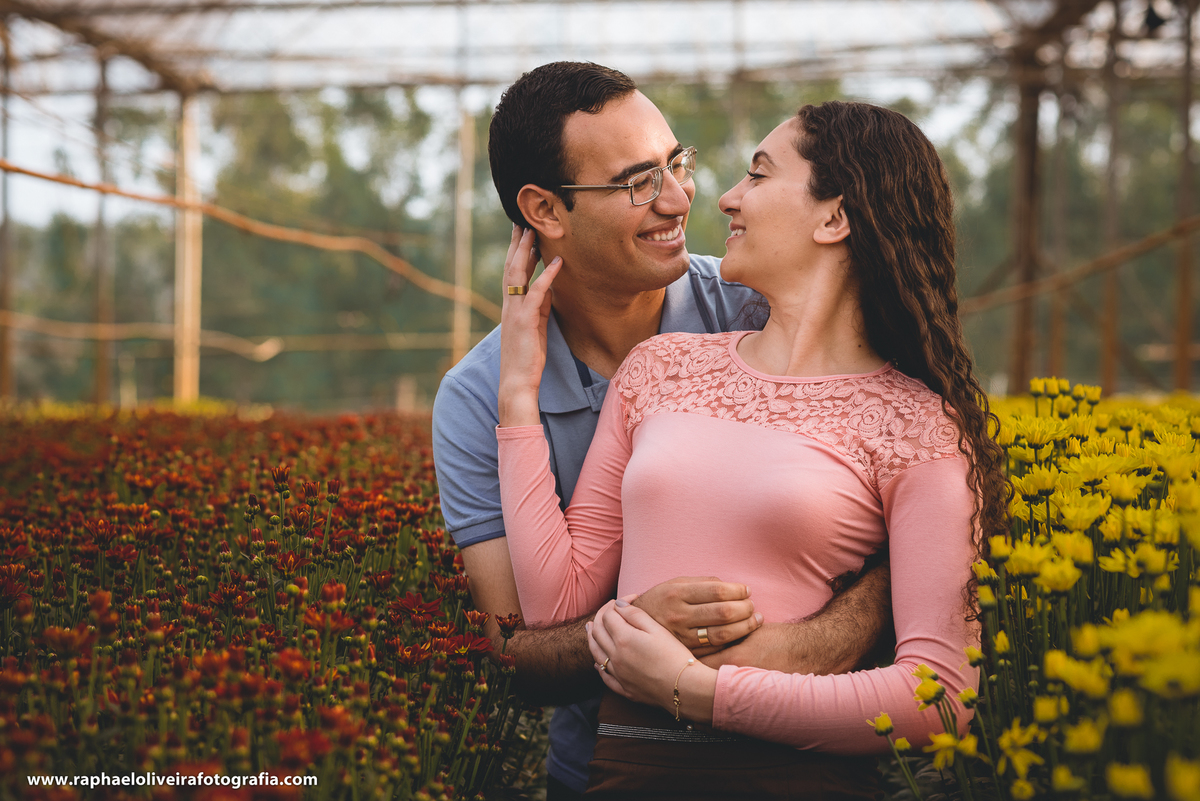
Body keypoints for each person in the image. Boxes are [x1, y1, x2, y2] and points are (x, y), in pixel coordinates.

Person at [495, 100, 1008, 798]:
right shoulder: (660, 367)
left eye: (758, 176)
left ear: (835, 217)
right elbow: (555, 604)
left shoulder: (915, 425)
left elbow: (940, 694)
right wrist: (518, 393)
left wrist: (698, 689)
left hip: (796, 779)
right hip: (625, 774)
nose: (726, 198)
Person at [431, 63, 893, 800]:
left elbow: (909, 526)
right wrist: (631, 630)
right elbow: (513, 649)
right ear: (545, 209)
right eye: (638, 181)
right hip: (606, 773)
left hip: (806, 763)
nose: (681, 199)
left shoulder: (754, 308)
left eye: (677, 163)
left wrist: (782, 650)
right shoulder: (474, 400)